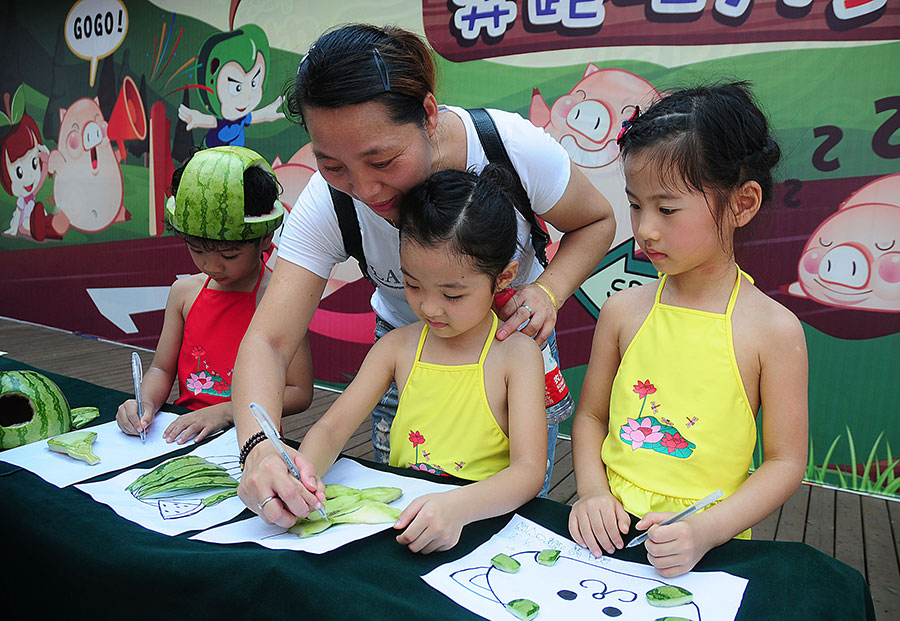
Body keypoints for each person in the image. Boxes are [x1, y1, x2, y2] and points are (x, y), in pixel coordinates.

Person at [232, 23, 616, 523]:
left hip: (508, 344)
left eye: (383, 159)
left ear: (429, 116)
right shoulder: (330, 209)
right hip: (408, 350)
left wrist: (548, 290)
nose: (365, 190)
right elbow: (268, 341)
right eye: (332, 166)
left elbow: (596, 220)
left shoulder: (513, 149)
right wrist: (261, 448)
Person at [568, 82, 808, 577]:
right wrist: (591, 493)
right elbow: (591, 417)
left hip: (704, 546)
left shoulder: (773, 331)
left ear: (742, 204)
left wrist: (707, 530)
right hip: (600, 535)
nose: (646, 229)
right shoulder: (621, 311)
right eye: (636, 205)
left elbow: (785, 463)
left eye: (667, 208)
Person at [285, 166, 547, 553]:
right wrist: (304, 476)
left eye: (453, 295)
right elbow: (331, 429)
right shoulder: (396, 347)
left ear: (504, 277)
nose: (429, 307)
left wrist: (457, 508)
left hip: (478, 529)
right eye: (412, 284)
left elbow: (528, 472)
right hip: (404, 525)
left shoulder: (517, 355)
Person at [116, 146, 312, 443]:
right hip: (182, 435)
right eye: (197, 250)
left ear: (265, 238)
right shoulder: (184, 293)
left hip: (253, 441)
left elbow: (299, 391)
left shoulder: (280, 299)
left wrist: (226, 411)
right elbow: (160, 368)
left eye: (229, 255)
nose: (211, 265)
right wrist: (143, 405)